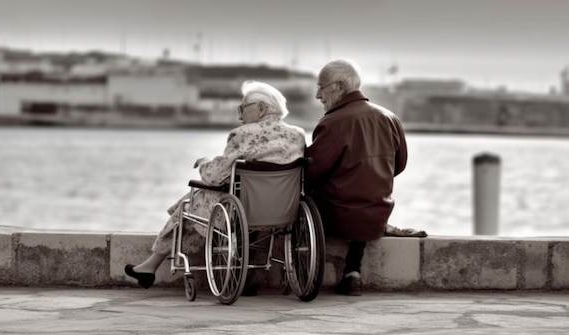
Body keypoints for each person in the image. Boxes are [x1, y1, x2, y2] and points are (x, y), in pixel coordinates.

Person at [125, 80, 306, 295]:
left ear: (261, 108)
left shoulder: (243, 134)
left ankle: (150, 265)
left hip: (243, 212)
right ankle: (150, 266)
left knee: (189, 203)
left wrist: (203, 163)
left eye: (242, 108)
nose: (240, 116)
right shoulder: (298, 135)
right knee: (198, 201)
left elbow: (215, 176)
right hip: (283, 211)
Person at [305, 58, 408, 295]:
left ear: (339, 87)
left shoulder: (332, 123)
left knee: (306, 190)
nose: (317, 95)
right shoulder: (390, 118)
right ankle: (353, 272)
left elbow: (313, 171)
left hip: (339, 214)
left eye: (321, 86)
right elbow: (399, 165)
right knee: (360, 192)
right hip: (377, 212)